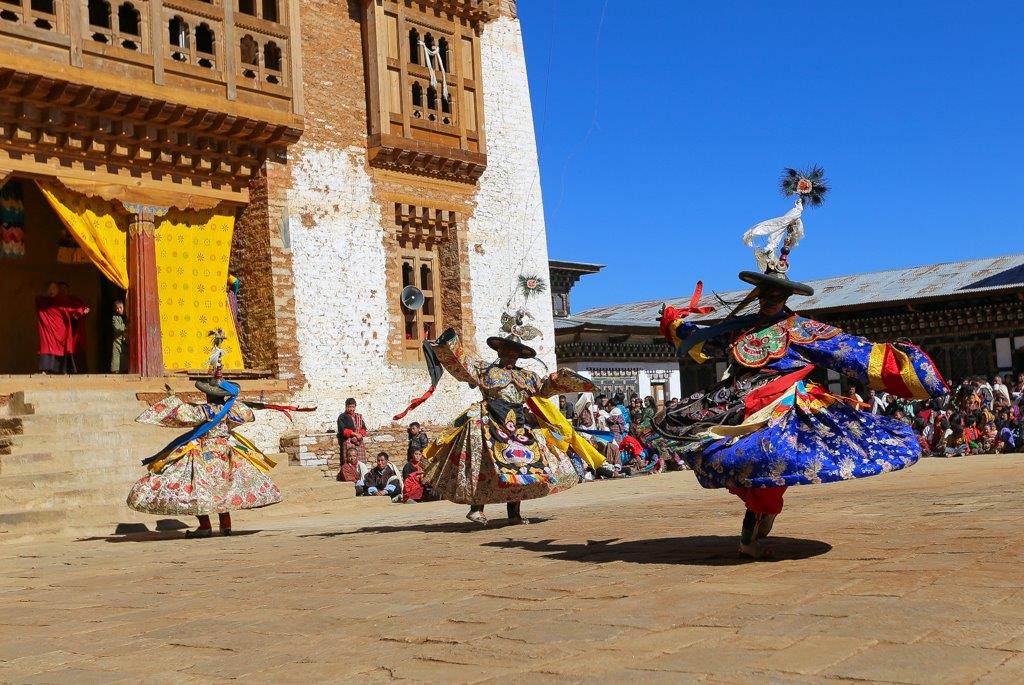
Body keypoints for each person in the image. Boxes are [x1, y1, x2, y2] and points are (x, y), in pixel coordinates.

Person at [653, 168, 948, 559]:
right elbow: (698, 340)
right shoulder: (739, 329)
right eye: (766, 290)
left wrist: (905, 366)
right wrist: (675, 321)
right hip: (735, 407)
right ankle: (753, 529)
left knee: (771, 469)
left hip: (785, 407)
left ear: (787, 294)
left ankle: (754, 530)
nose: (771, 297)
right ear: (758, 292)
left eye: (779, 292)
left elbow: (852, 353)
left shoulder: (802, 329)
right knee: (744, 467)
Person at [400, 307, 594, 526]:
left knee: (521, 466)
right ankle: (476, 509)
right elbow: (463, 364)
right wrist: (448, 342)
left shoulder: (527, 377)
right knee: (482, 465)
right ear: (499, 351)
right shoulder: (486, 371)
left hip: (518, 427)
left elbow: (545, 388)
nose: (509, 354)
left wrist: (563, 379)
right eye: (505, 350)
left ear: (519, 355)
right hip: (487, 424)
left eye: (513, 352)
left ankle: (514, 513)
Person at [126, 332, 285, 537]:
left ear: (207, 394)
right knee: (223, 487)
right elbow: (247, 414)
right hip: (225, 452)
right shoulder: (231, 412)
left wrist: (170, 399)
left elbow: (180, 414)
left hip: (202, 454)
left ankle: (205, 526)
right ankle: (226, 524)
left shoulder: (204, 411)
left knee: (199, 488)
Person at [35, 281, 89, 374]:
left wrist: (82, 310)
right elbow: (38, 302)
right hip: (48, 331)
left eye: (54, 288)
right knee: (47, 347)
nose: (52, 290)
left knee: (62, 349)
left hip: (61, 330)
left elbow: (71, 310)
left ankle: (62, 370)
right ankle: (45, 370)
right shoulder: (42, 301)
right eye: (50, 288)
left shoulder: (63, 302)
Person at [337, 398, 367, 471]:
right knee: (349, 460)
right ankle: (349, 476)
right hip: (348, 442)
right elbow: (343, 430)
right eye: (349, 407)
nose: (351, 409)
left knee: (360, 461)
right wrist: (354, 434)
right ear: (346, 407)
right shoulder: (342, 417)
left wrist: (360, 435)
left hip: (359, 442)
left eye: (353, 407)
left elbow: (364, 428)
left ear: (355, 407)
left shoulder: (359, 416)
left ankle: (361, 475)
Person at [110, 300, 128, 373]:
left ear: (124, 307)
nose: (118, 310)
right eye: (117, 308)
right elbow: (117, 327)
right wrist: (127, 327)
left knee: (125, 359)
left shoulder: (128, 316)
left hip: (126, 341)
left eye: (120, 307)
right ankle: (116, 372)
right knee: (116, 360)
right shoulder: (115, 318)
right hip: (117, 341)